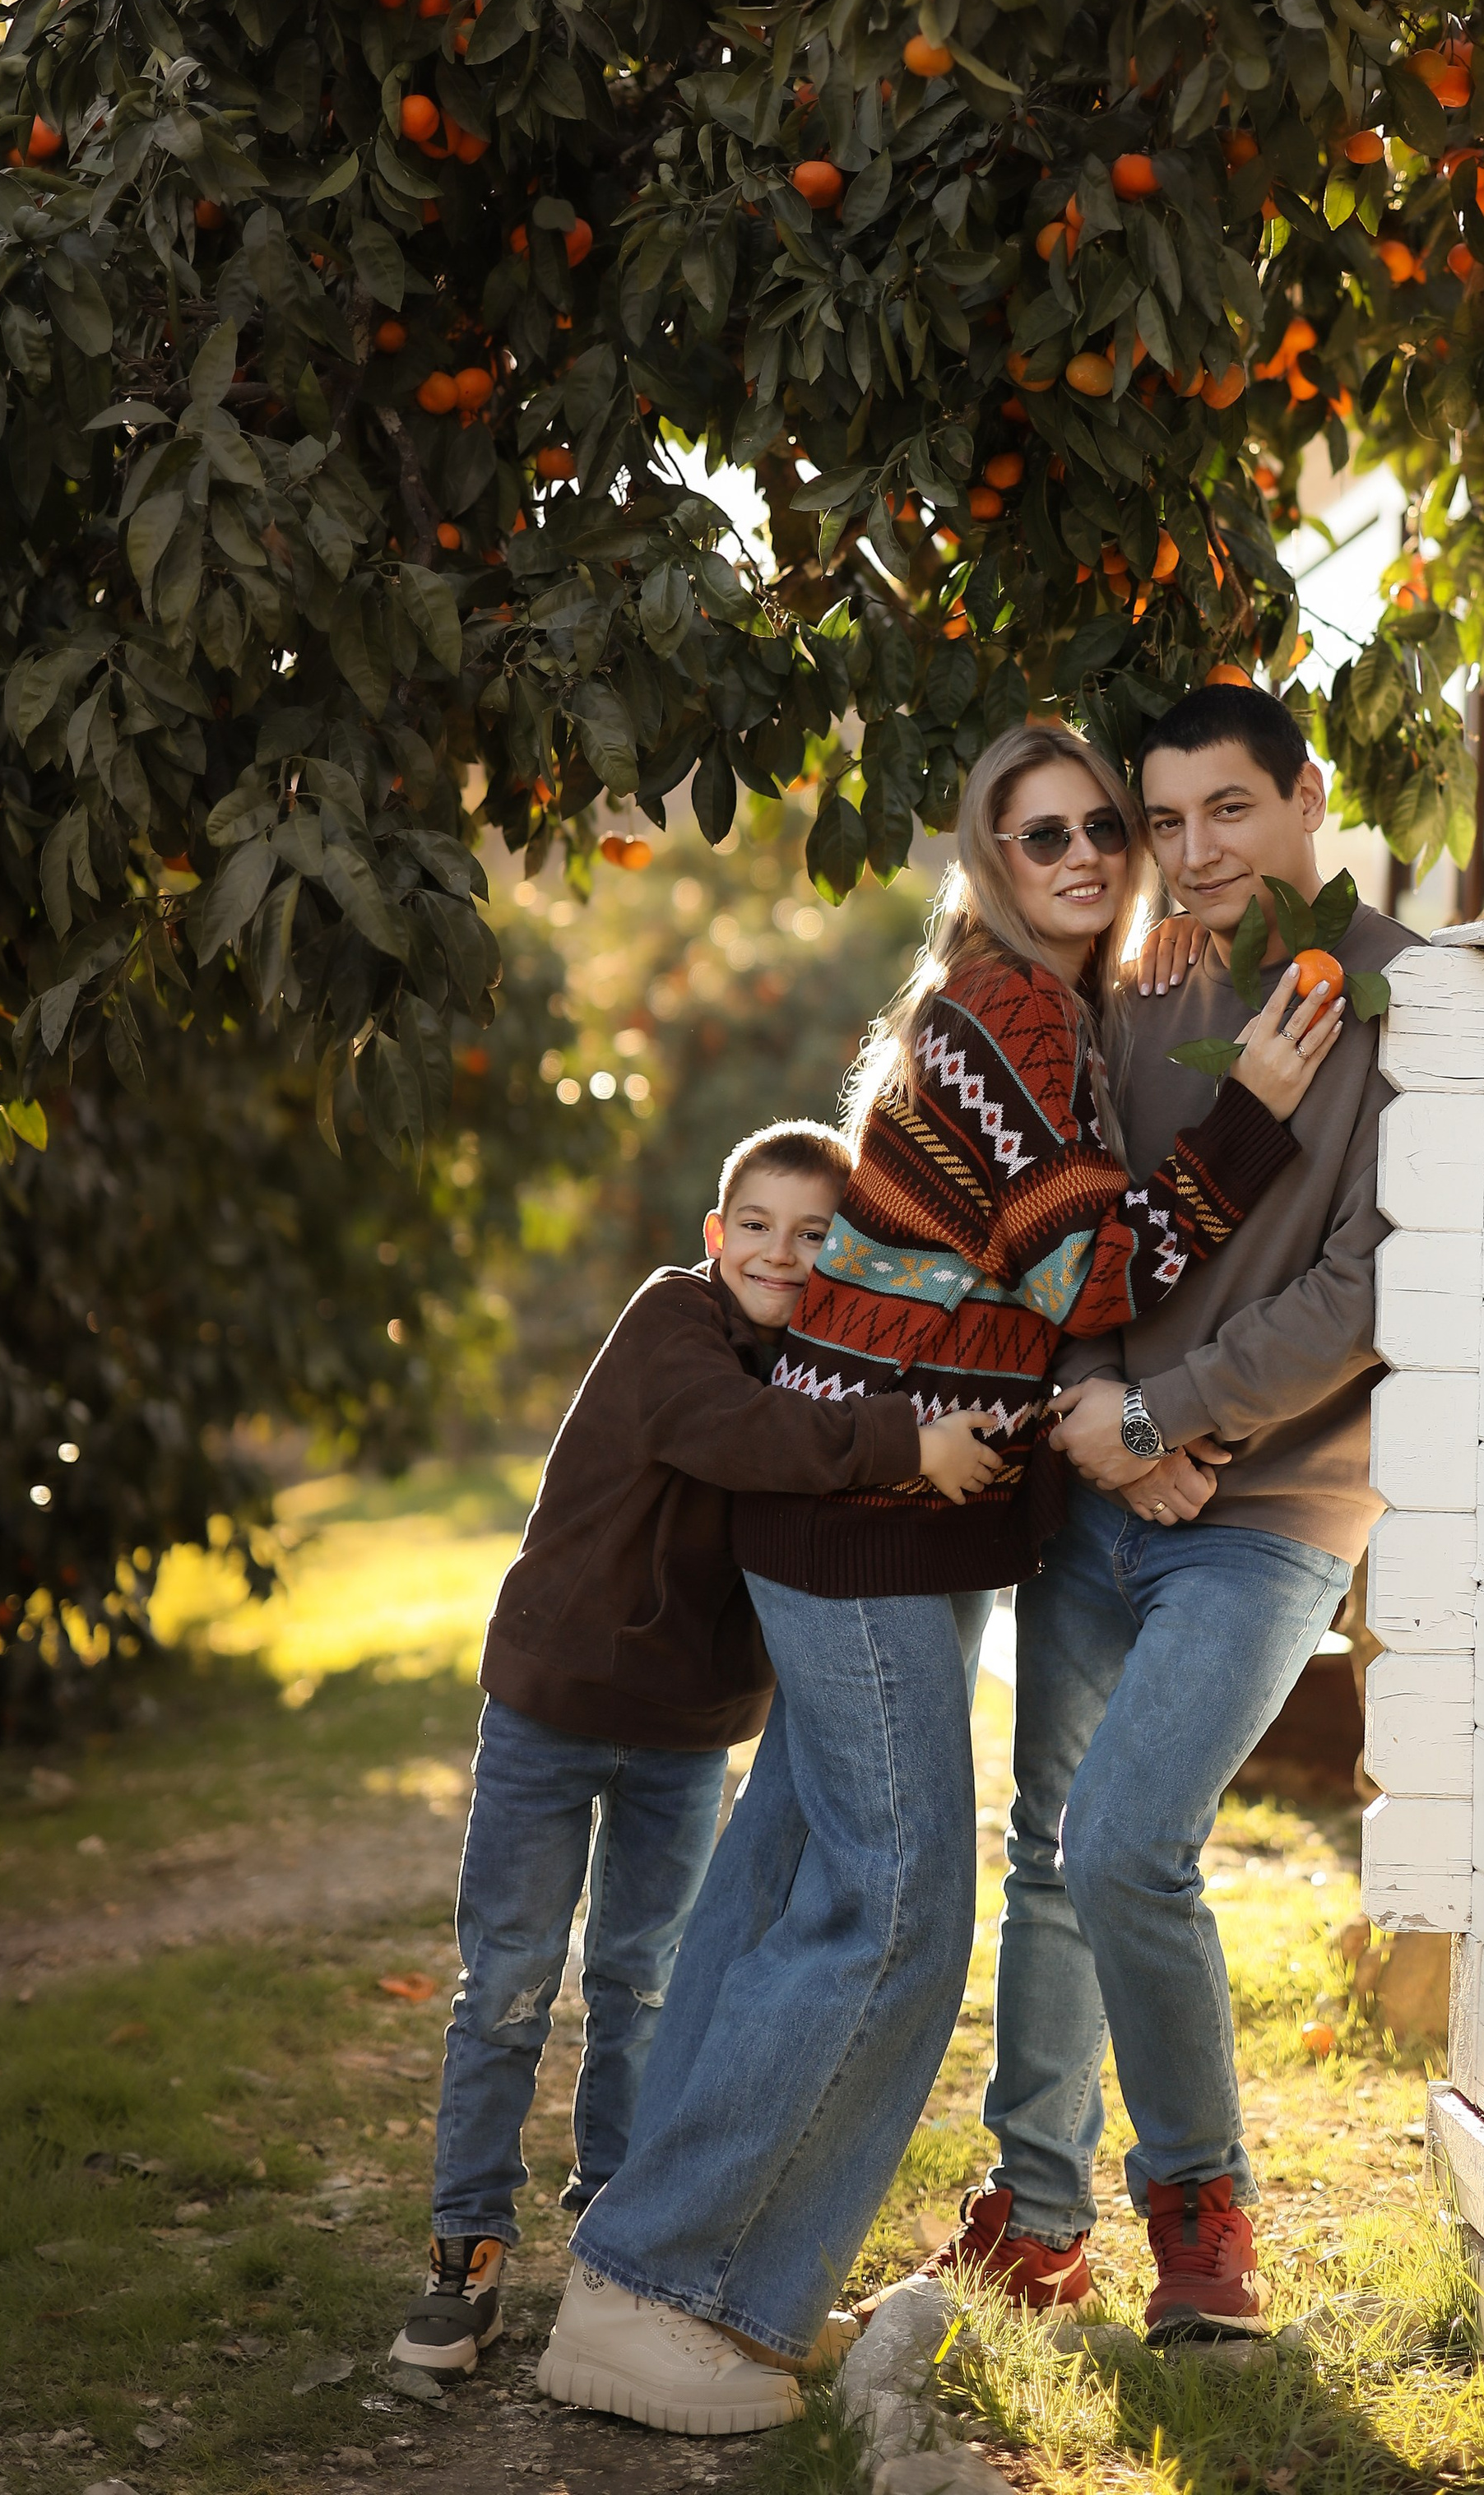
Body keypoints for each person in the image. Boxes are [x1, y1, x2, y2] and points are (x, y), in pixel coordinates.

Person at [536, 721, 1343, 2434]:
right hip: (870, 1529)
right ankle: (671, 2288)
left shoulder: (1035, 1010)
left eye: (1099, 830)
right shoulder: (1020, 1011)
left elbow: (1046, 1291)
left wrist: (1137, 1418)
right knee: (892, 1914)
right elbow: (1090, 1264)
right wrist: (1257, 1116)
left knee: (776, 1887)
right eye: (1038, 833)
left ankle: (659, 2273)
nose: (1081, 856)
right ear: (989, 856)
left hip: (869, 1520)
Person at [939, 679, 1421, 2341]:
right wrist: (1106, 1417)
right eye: (1166, 823)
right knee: (1046, 1858)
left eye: (1229, 810)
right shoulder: (1137, 993)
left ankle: (1199, 2215)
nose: (1195, 851)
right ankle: (1034, 2211)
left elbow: (1376, 1280)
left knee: (1128, 1843)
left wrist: (1175, 1413)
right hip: (1100, 1479)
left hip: (1277, 1498)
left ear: (1305, 797)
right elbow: (1082, 1226)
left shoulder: (1408, 997)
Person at [389, 1119, 1001, 2379]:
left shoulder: (823, 1366)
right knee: (508, 1980)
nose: (782, 1254)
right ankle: (468, 2255)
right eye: (759, 1228)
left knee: (645, 1985)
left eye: (814, 1235)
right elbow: (730, 1435)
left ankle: (623, 2242)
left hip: (677, 1737)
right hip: (557, 1707)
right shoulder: (673, 1324)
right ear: (719, 1236)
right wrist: (906, 1444)